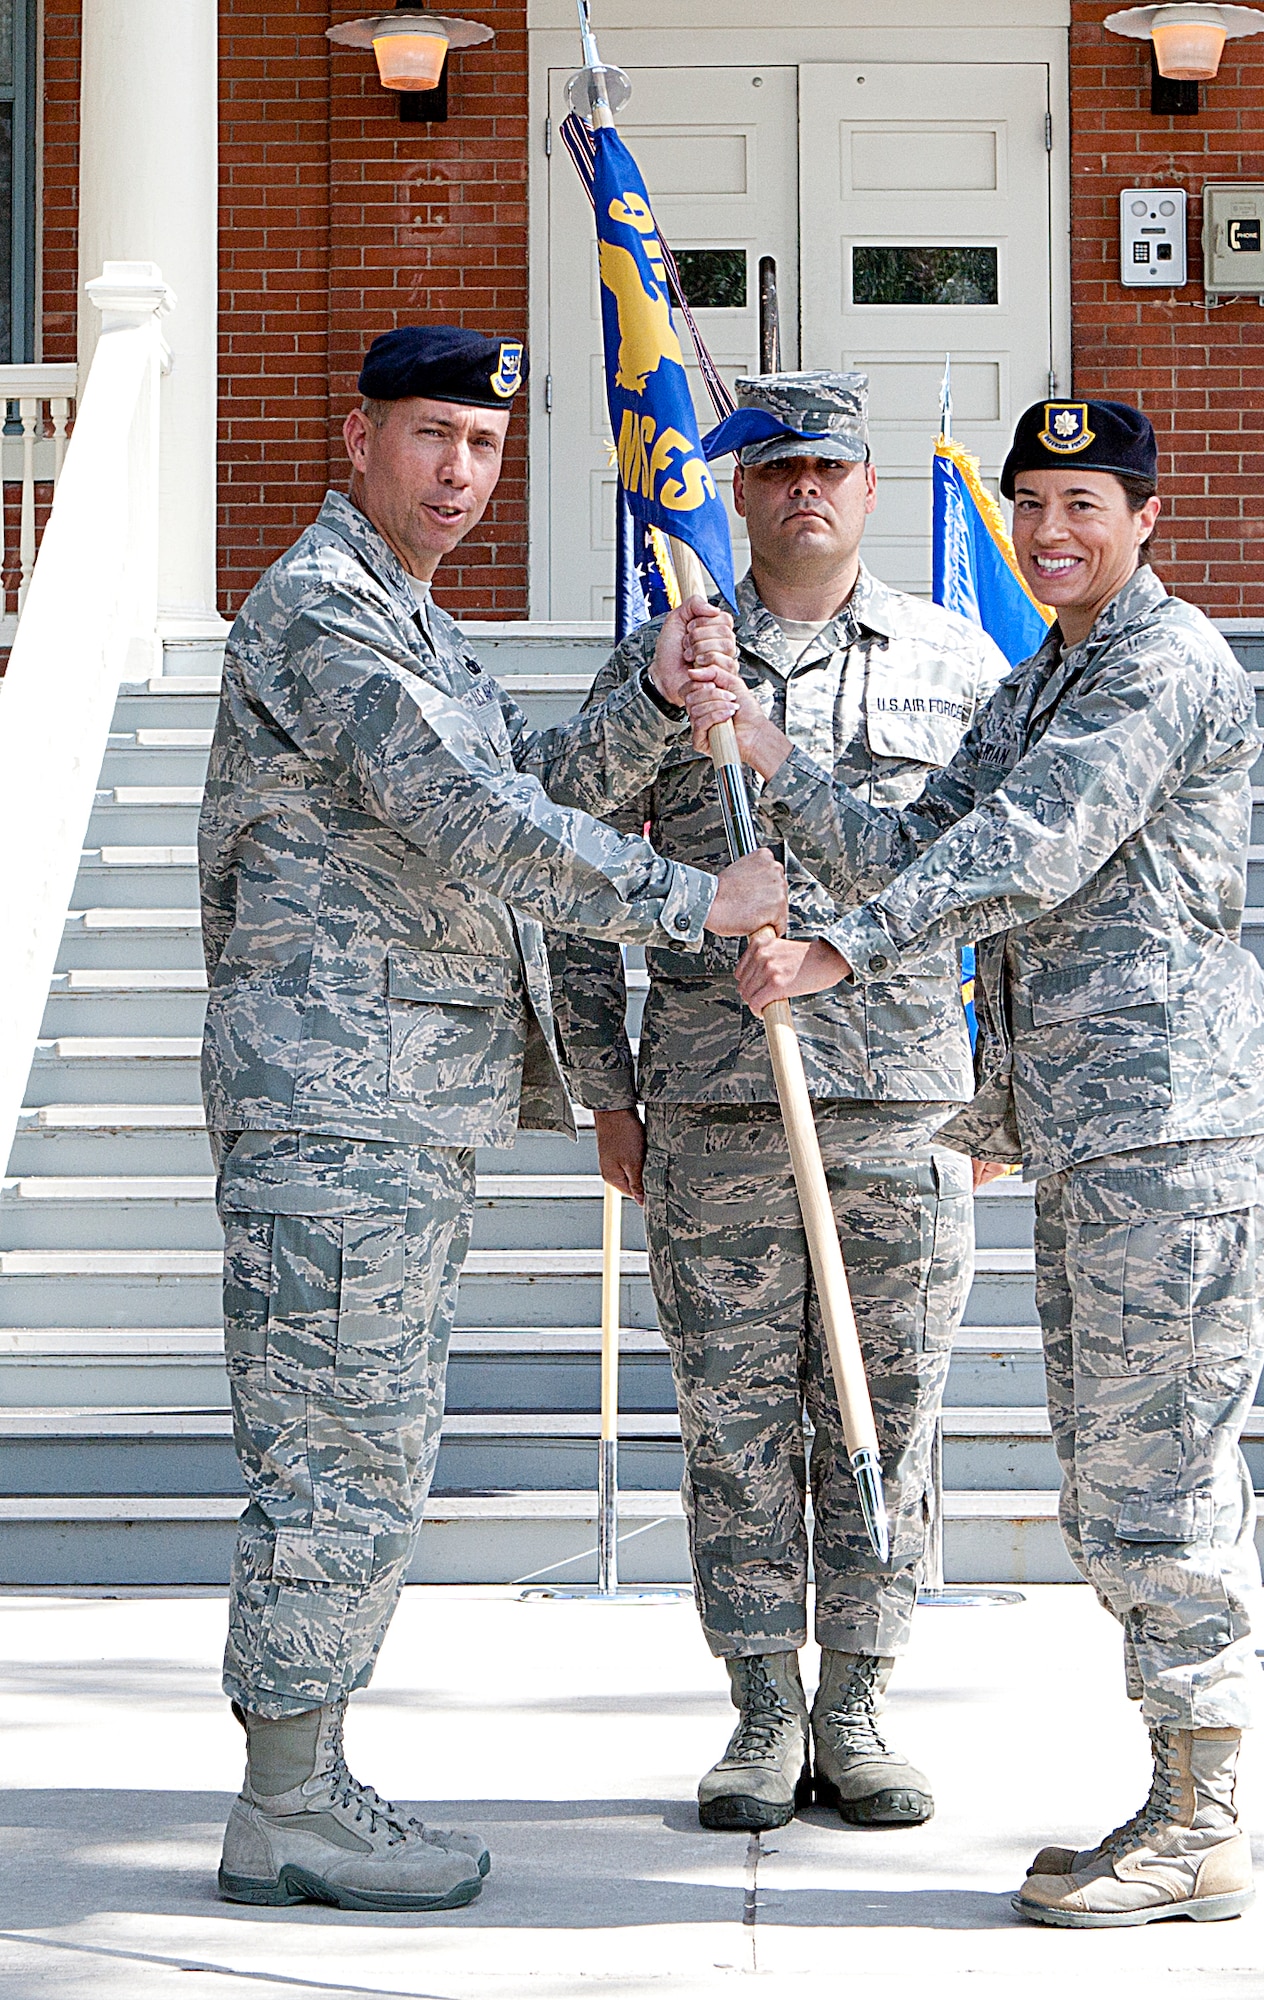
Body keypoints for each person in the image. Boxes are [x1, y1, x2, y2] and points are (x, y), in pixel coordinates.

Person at [201, 325, 784, 1913]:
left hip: (398, 1102)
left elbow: (520, 774)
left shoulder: (414, 626)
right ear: (358, 438)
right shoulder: (323, 610)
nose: (461, 473)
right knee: (338, 1455)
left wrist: (652, 696)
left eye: (484, 446)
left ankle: (306, 1776)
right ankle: (289, 1806)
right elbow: (467, 818)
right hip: (337, 1104)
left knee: (367, 1449)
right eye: (432, 437)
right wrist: (693, 901)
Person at [692, 397, 1264, 1926]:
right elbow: (921, 841)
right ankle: (1171, 1800)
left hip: (1176, 1126)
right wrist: (768, 750)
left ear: (1144, 515)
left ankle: (1202, 1820)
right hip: (1093, 1132)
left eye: (1084, 504)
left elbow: (1027, 847)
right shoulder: (1044, 679)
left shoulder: (1156, 666)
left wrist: (839, 948)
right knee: (1108, 1482)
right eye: (1029, 504)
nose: (1048, 533)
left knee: (1161, 1480)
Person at [549, 372, 1009, 1835]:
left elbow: (996, 880)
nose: (802, 490)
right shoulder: (664, 662)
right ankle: (758, 1712)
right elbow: (563, 863)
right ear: (735, 493)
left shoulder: (953, 662)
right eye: (774, 469)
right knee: (733, 1418)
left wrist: (1000, 1089)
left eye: (828, 467)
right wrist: (602, 1087)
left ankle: (859, 1706)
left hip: (899, 1106)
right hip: (714, 1104)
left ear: (871, 489)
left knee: (891, 1409)